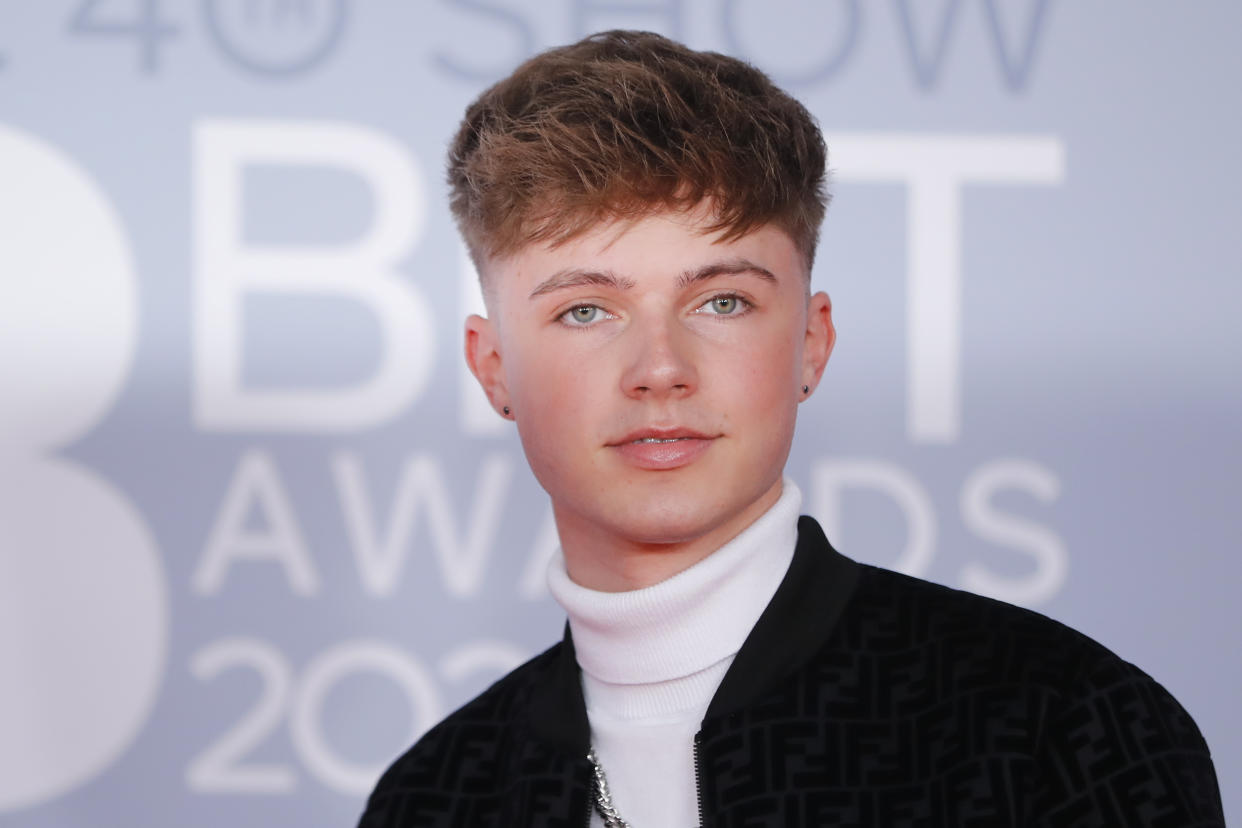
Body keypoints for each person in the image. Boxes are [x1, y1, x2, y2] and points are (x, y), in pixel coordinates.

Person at [358, 30, 1224, 827]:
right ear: (492, 366)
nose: (660, 366)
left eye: (722, 301)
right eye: (587, 310)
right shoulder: (435, 798)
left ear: (811, 343)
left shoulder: (1063, 725)